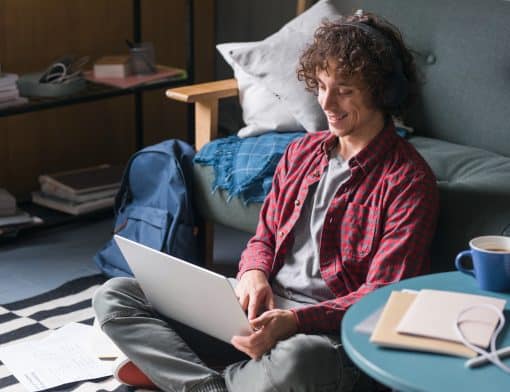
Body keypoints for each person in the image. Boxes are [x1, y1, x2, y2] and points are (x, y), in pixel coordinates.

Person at [93, 10, 439, 392]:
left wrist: (294, 323)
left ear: (382, 92)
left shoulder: (408, 181)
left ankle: (188, 375)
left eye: (345, 90)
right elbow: (264, 239)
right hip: (259, 313)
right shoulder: (301, 153)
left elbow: (382, 297)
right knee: (117, 295)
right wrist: (252, 274)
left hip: (324, 333)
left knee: (298, 362)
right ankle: (219, 384)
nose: (327, 102)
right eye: (321, 86)